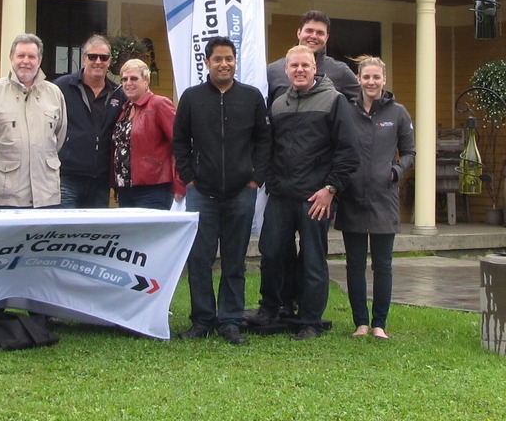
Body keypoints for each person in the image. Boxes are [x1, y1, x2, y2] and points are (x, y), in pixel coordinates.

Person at [254, 45, 359, 340]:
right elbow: (269, 149)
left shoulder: (334, 100)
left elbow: (349, 153)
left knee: (313, 258)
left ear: (315, 68)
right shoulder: (277, 105)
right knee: (272, 252)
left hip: (316, 198)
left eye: (305, 65)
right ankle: (273, 307)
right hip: (281, 195)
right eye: (294, 66)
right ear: (285, 70)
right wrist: (270, 181)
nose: (299, 70)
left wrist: (330, 189)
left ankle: (310, 320)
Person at [173, 37, 270, 345]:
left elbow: (264, 141)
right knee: (200, 259)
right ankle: (202, 320)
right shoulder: (191, 98)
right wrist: (189, 178)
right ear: (207, 62)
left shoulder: (252, 97)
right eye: (218, 59)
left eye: (229, 58)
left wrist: (255, 179)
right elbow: (179, 142)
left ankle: (230, 320)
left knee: (234, 260)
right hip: (202, 192)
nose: (224, 64)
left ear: (235, 61)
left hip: (242, 192)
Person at [334, 56, 415, 340]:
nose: (371, 82)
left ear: (384, 80)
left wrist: (395, 172)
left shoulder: (398, 113)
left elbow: (409, 153)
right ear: (358, 79)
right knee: (354, 264)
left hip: (384, 198)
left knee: (383, 264)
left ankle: (379, 323)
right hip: (352, 198)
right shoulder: (346, 110)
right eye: (366, 77)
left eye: (376, 78)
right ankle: (361, 323)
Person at [0, 34, 67, 208]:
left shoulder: (54, 94)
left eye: (31, 56)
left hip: (46, 196)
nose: (26, 61)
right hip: (4, 196)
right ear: (11, 58)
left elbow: (58, 137)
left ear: (39, 60)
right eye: (21, 56)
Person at [54, 35, 125, 208]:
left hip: (100, 182)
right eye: (93, 56)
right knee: (66, 232)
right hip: (67, 178)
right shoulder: (61, 87)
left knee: (95, 233)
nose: (98, 61)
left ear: (110, 61)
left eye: (103, 57)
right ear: (84, 58)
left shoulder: (119, 93)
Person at [111, 59, 184, 210]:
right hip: (125, 189)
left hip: (153, 189)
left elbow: (180, 143)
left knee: (152, 234)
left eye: (134, 78)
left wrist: (180, 182)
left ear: (147, 80)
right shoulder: (125, 110)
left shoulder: (159, 104)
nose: (128, 83)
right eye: (124, 79)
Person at [266, 10, 359, 105]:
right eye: (309, 31)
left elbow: (363, 101)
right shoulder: (273, 71)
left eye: (320, 33)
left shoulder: (340, 71)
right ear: (299, 33)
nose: (314, 36)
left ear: (326, 38)